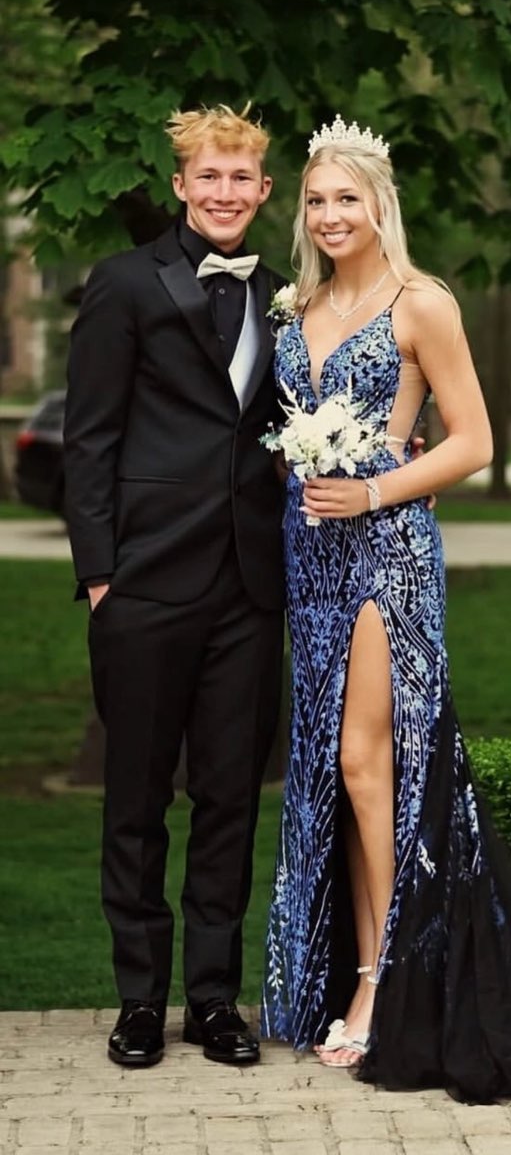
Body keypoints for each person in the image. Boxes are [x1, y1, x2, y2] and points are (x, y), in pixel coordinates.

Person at [261, 116, 511, 1102]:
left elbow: (470, 439)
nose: (330, 212)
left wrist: (377, 489)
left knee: (365, 759)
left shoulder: (419, 303)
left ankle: (388, 987)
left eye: (347, 195)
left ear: (380, 201)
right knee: (336, 771)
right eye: (315, 198)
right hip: (308, 551)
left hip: (385, 547)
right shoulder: (293, 305)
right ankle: (359, 969)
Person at [64, 105, 285, 1068]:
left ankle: (214, 1002)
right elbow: (90, 439)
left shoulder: (285, 297)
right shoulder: (123, 284)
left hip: (248, 586)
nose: (226, 193)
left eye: (242, 179)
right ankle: (139, 1002)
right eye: (210, 177)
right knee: (137, 798)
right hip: (144, 583)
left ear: (264, 190)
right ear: (181, 185)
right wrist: (101, 573)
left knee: (231, 798)